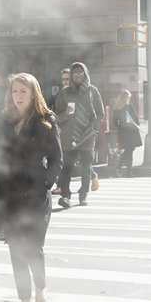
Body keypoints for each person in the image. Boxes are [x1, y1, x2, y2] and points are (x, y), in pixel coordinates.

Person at [0, 73, 62, 302]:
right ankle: (24, 296)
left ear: (33, 93)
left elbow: (57, 159)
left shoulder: (47, 120)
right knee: (16, 247)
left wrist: (46, 183)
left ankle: (41, 288)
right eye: (15, 91)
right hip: (10, 194)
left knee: (33, 245)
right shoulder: (4, 120)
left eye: (23, 91)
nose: (18, 96)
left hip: (37, 195)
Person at [54, 62, 104, 208]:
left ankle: (83, 195)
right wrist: (66, 114)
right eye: (75, 73)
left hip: (88, 136)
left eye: (80, 72)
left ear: (85, 74)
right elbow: (56, 114)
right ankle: (65, 196)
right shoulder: (65, 92)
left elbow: (100, 113)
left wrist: (93, 127)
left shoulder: (92, 91)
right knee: (67, 167)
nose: (77, 75)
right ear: (71, 75)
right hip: (69, 137)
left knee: (85, 167)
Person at [112, 90, 142, 177]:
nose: (129, 99)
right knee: (129, 151)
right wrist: (136, 124)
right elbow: (135, 118)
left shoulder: (117, 108)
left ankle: (122, 169)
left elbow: (115, 122)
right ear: (126, 98)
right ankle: (125, 170)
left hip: (123, 132)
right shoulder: (129, 106)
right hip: (131, 132)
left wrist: (120, 124)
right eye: (128, 97)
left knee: (128, 151)